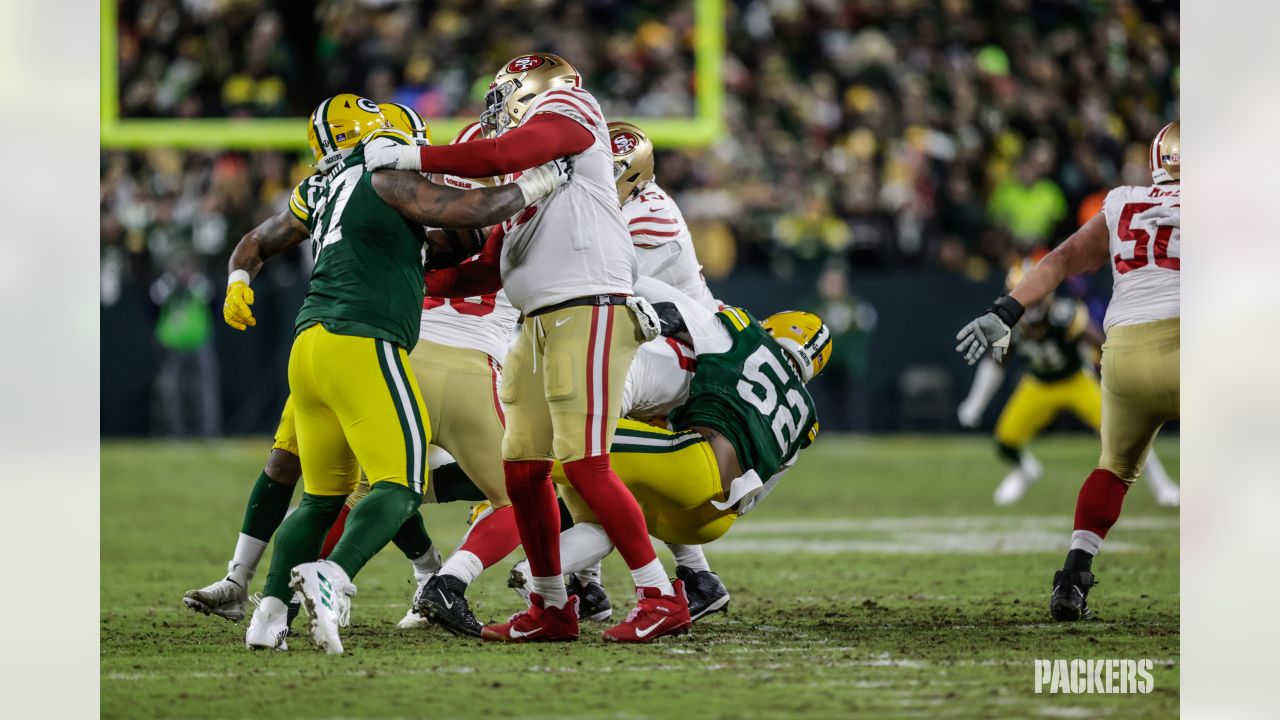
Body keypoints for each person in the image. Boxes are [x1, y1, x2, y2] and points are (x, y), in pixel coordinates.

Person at [367, 52, 690, 643]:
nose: (496, 108)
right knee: (523, 472)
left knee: (586, 465)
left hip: (588, 309)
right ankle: (550, 605)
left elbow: (498, 154)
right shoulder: (542, 178)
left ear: (531, 87)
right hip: (539, 321)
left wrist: (410, 157)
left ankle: (661, 596)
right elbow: (487, 271)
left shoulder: (571, 109)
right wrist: (411, 275)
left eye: (504, 92)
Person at [242, 93, 568, 654]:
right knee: (406, 489)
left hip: (310, 346)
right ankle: (359, 575)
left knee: (325, 497)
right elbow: (469, 215)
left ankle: (268, 617)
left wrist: (236, 283)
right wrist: (540, 184)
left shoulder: (320, 188)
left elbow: (259, 241)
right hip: (372, 346)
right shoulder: (387, 172)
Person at [183, 100, 443, 624]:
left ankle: (276, 606)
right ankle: (256, 579)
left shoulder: (338, 183)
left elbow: (259, 240)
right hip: (360, 336)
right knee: (375, 476)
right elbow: (257, 239)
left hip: (324, 339)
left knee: (337, 484)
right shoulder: (368, 179)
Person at [956, 120, 1180, 622]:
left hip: (1124, 353)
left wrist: (1004, 312)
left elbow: (1059, 262)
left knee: (1115, 467)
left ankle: (1074, 577)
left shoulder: (1123, 201)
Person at [958, 261, 1180, 506]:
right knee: (1005, 442)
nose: (1028, 303)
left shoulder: (1063, 314)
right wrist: (976, 402)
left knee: (1124, 433)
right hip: (1038, 384)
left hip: (1075, 381)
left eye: (1033, 295)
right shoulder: (1008, 325)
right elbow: (997, 362)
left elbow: (1100, 342)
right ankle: (1024, 471)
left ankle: (1161, 483)